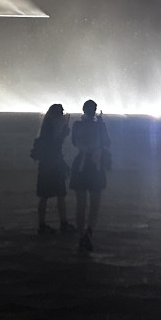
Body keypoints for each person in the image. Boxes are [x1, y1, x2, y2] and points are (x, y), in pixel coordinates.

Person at [69, 99, 111, 252]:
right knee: (95, 202)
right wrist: (100, 124)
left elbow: (74, 142)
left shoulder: (77, 125)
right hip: (95, 164)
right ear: (95, 110)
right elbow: (107, 142)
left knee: (80, 203)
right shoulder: (99, 125)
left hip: (81, 163)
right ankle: (89, 230)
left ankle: (81, 235)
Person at [34, 104, 74, 235]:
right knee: (60, 195)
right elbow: (56, 145)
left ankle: (42, 225)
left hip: (46, 165)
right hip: (54, 165)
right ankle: (63, 223)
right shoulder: (54, 128)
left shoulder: (46, 128)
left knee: (44, 196)